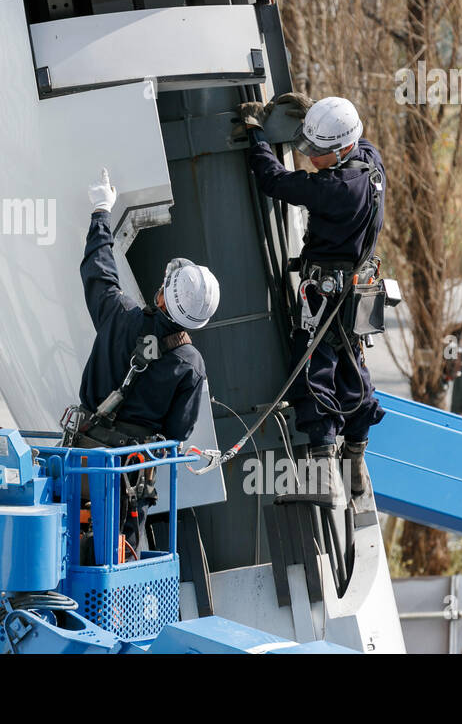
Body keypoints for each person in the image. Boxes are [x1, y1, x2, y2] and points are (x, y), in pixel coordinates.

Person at [236, 93, 387, 500]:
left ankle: (322, 476)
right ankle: (355, 464)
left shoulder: (336, 188)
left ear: (339, 151)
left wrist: (257, 138)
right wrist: (316, 117)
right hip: (355, 294)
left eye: (317, 152)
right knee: (353, 370)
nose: (310, 159)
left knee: (313, 371)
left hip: (326, 297)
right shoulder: (371, 162)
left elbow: (273, 181)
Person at [69, 169, 220, 555]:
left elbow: (98, 271)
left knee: (68, 541)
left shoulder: (120, 317)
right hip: (131, 479)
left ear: (165, 295)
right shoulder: (191, 364)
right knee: (123, 553)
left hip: (82, 462)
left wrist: (101, 211)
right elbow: (177, 434)